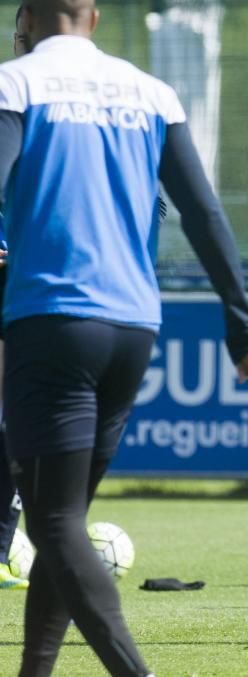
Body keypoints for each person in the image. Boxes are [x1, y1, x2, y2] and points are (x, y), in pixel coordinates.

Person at [0, 1, 248, 675]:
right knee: (63, 526)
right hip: (134, 328)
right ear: (93, 17)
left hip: (54, 319)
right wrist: (242, 325)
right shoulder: (151, 93)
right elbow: (203, 213)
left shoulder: (15, 84)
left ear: (26, 17)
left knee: (53, 524)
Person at [0, 2, 30, 593]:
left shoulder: (96, 104)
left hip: (33, 280)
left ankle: (4, 543)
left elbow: (148, 202)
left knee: (19, 414)